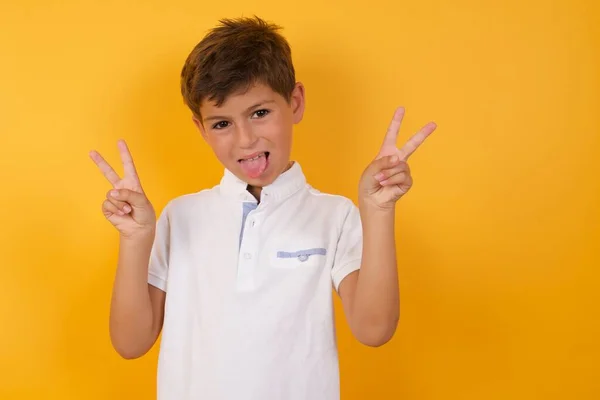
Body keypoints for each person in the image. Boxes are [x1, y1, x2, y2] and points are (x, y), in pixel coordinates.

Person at [89, 15, 436, 400]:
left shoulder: (334, 216)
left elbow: (374, 330)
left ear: (295, 102)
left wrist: (378, 210)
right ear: (201, 129)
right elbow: (130, 343)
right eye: (221, 123)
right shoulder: (179, 216)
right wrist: (136, 239)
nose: (246, 139)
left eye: (259, 113)